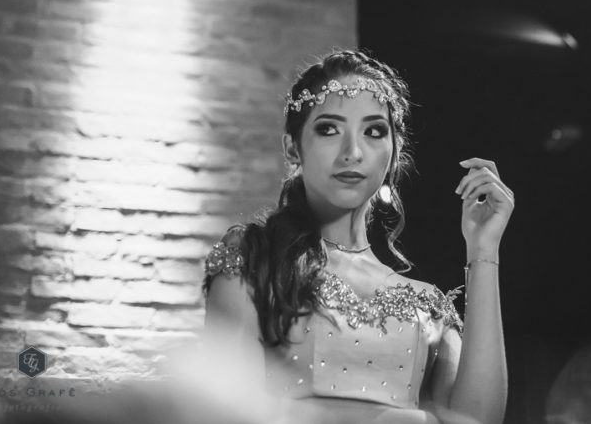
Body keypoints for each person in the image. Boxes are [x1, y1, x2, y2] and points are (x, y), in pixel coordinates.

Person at [201, 50, 514, 424]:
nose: (352, 152)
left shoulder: (427, 304)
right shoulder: (253, 259)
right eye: (328, 129)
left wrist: (483, 250)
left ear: (394, 152)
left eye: (374, 131)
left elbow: (477, 420)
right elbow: (227, 411)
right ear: (292, 148)